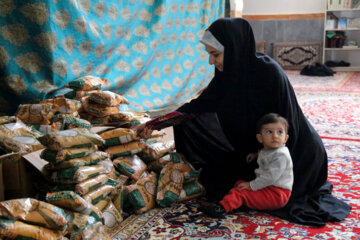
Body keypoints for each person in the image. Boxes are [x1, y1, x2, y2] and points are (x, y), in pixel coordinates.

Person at [135, 18, 351, 227]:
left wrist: (263, 160)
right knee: (213, 177)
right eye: (209, 55)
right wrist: (155, 124)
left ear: (234, 49)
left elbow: (286, 127)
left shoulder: (269, 73)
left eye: (215, 54)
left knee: (235, 190)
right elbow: (197, 107)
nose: (211, 61)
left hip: (292, 153)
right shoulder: (228, 73)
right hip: (257, 149)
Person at [198, 113, 293, 218]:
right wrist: (256, 155)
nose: (275, 136)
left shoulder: (281, 155)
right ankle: (235, 202)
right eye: (269, 132)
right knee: (240, 184)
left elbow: (270, 177)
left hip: (276, 194)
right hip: (268, 188)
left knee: (242, 192)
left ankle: (220, 209)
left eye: (280, 132)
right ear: (260, 138)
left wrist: (251, 185)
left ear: (285, 138)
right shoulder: (270, 150)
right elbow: (267, 154)